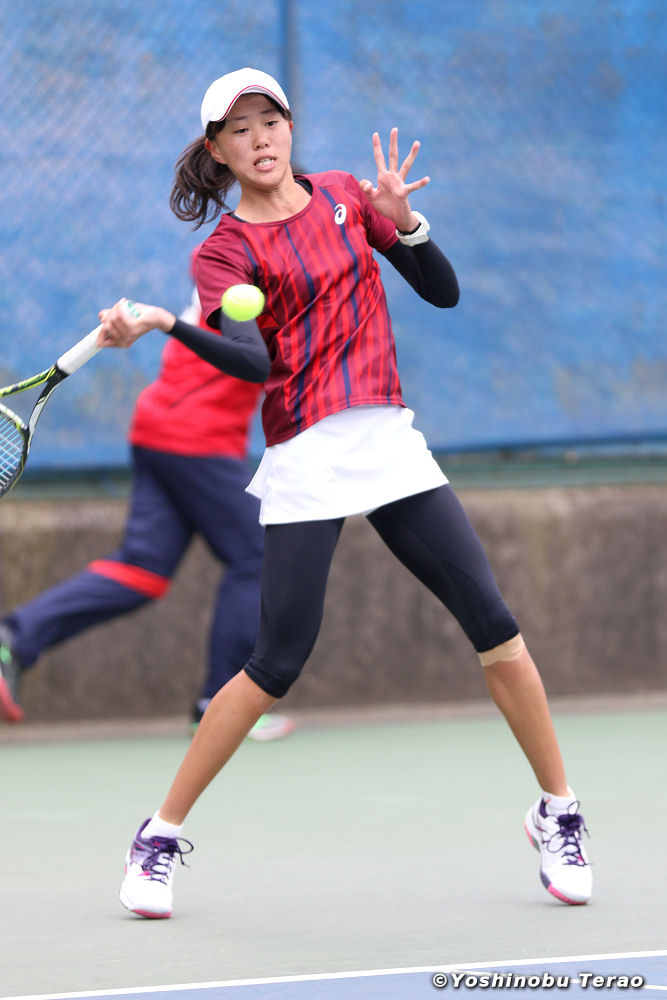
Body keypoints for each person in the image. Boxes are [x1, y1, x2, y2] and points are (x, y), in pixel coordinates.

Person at [97, 67, 592, 920]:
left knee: (493, 623)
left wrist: (406, 224)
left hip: (388, 441)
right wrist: (167, 322)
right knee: (275, 663)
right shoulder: (223, 252)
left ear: (289, 127)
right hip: (307, 455)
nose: (259, 138)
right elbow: (251, 362)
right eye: (239, 129)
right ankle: (158, 836)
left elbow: (441, 291)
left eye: (270, 120)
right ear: (217, 151)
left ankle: (559, 810)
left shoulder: (343, 197)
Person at [0, 262, 294, 742]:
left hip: (160, 426)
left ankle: (13, 637)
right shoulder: (257, 264)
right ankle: (219, 705)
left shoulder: (237, 259)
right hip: (197, 437)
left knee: (144, 569)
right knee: (256, 556)